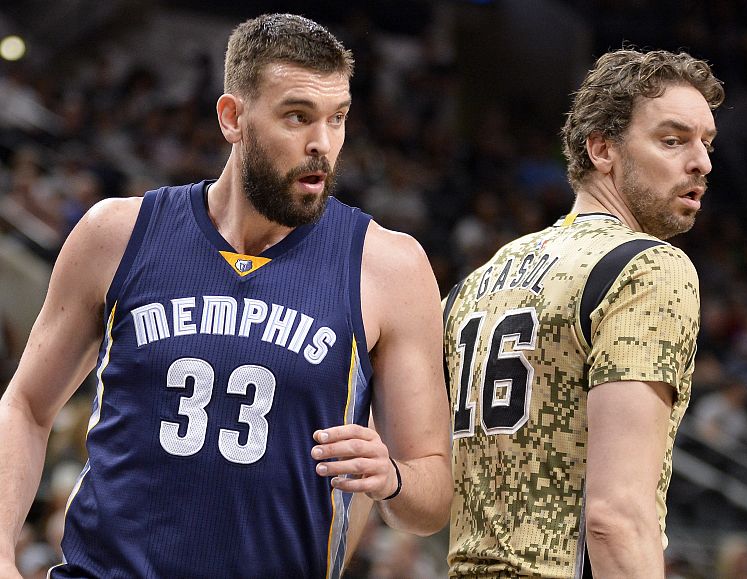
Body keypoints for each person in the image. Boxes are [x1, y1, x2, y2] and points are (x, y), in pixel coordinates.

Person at [0, 13, 452, 578]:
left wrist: (394, 479)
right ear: (233, 118)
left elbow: (432, 498)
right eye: (298, 116)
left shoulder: (390, 267)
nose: (322, 144)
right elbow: (25, 406)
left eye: (337, 118)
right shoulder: (115, 234)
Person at [443, 48, 724, 577]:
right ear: (601, 149)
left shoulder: (478, 281)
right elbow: (616, 518)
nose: (702, 163)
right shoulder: (649, 267)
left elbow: (420, 495)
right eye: (673, 140)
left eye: (706, 143)